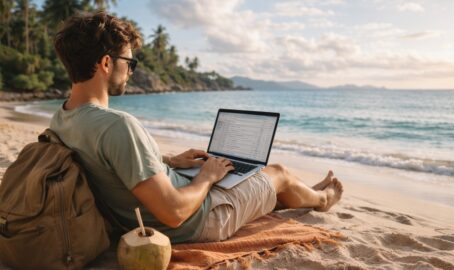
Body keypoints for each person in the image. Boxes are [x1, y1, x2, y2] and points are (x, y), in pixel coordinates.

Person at [50, 11, 343, 244]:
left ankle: (300, 193)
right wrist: (206, 177)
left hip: (141, 211)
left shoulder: (64, 118)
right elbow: (174, 213)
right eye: (130, 62)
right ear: (105, 64)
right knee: (279, 172)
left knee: (251, 179)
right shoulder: (118, 126)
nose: (131, 71)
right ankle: (322, 199)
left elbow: (107, 162)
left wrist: (168, 161)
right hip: (197, 220)